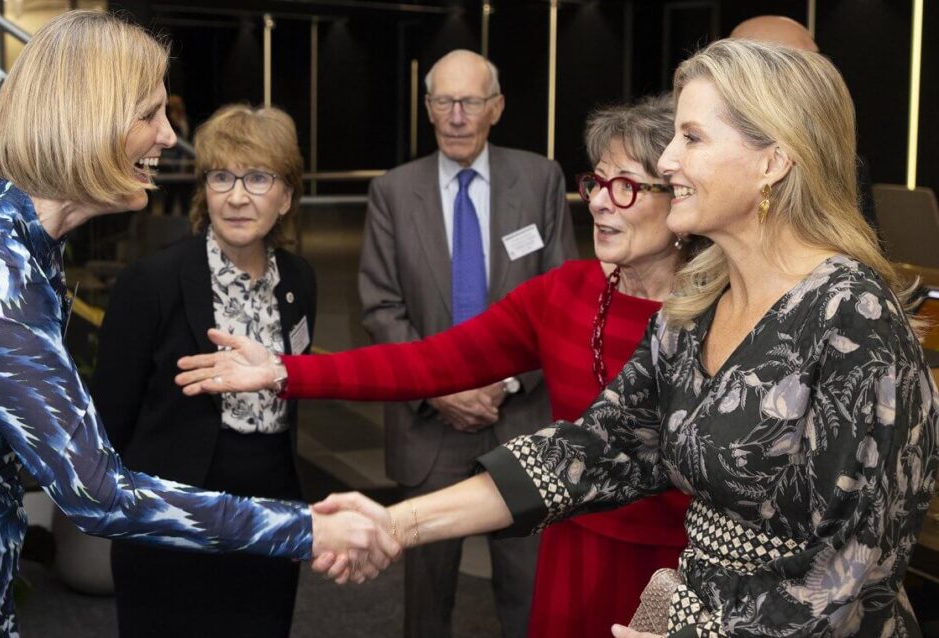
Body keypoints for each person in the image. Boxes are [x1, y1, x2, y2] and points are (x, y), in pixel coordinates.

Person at [312, 39, 939, 636]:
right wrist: (396, 522)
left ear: (772, 162)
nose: (666, 162)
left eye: (692, 138)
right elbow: (595, 449)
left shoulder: (852, 317)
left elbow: (857, 567)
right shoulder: (695, 306)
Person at [0, 12, 397, 636]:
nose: (171, 138)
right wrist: (306, 528)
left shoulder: (21, 247)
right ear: (87, 120)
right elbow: (96, 492)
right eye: (150, 115)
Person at [178, 96, 692, 635]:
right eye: (597, 183)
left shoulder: (721, 317)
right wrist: (285, 371)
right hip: (572, 552)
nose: (601, 204)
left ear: (679, 197)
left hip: (676, 569)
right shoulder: (567, 293)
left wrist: (395, 524)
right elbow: (427, 362)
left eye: (626, 187)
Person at [355, 49, 576, 637]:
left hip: (521, 419)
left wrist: (502, 382)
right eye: (443, 102)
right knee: (425, 601)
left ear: (496, 108)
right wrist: (443, 385)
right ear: (427, 109)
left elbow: (562, 301)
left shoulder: (540, 180)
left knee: (530, 598)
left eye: (470, 102)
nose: (456, 116)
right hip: (430, 427)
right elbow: (380, 306)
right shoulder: (393, 193)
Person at [93, 104, 315, 637]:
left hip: (269, 512)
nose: (237, 196)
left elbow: (292, 399)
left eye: (258, 178)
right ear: (204, 191)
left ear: (286, 197)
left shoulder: (300, 282)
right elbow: (110, 421)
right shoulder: (151, 282)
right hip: (173, 520)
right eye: (222, 177)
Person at [729, 14, 879, 231]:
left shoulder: (841, 162)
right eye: (801, 65)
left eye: (818, 64)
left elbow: (863, 249)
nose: (818, 78)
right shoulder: (692, 160)